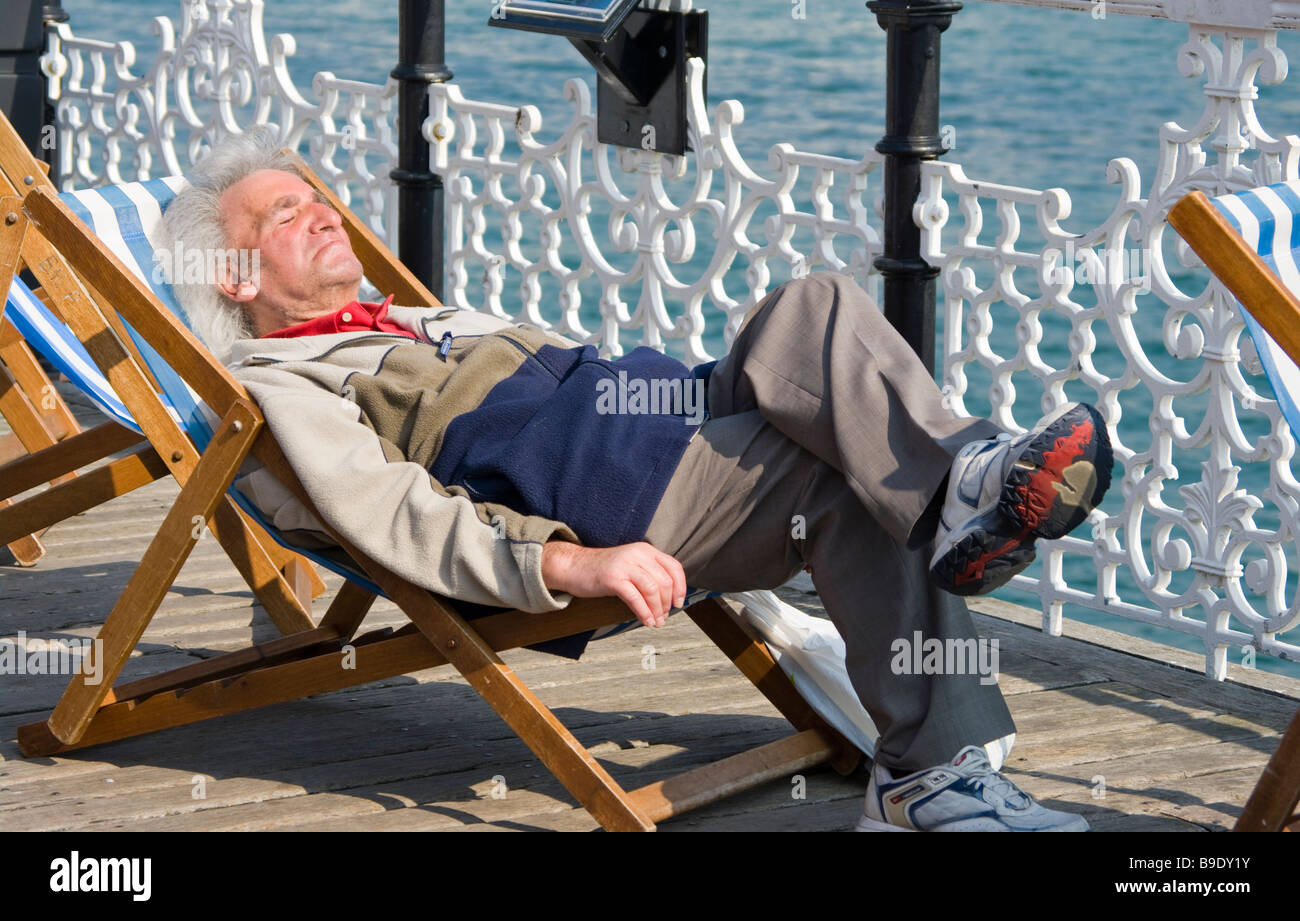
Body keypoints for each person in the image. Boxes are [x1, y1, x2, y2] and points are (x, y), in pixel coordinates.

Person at [157, 128, 1114, 832]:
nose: (325, 211)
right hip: (612, 495)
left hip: (654, 422)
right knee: (836, 467)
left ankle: (965, 482)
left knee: (812, 306)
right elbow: (392, 515)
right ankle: (929, 768)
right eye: (288, 213)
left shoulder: (397, 317)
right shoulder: (279, 387)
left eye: (318, 197)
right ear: (235, 275)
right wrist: (566, 564)